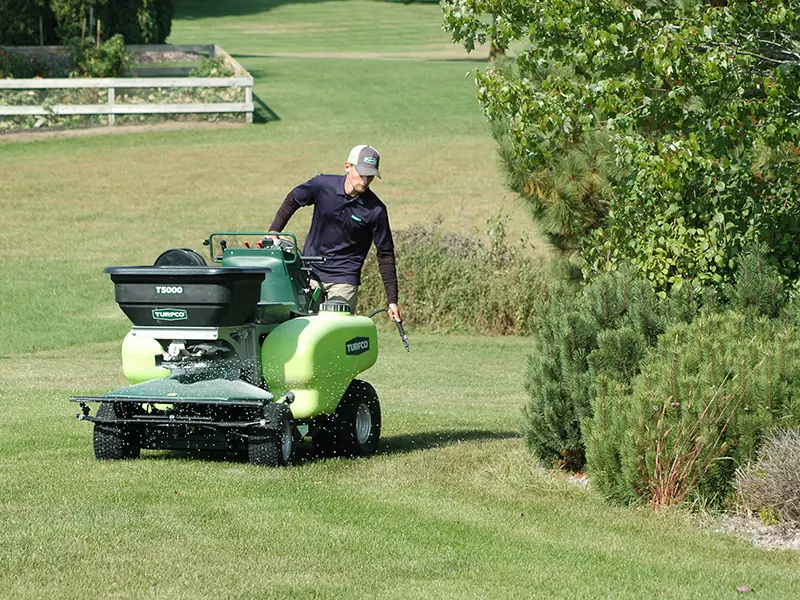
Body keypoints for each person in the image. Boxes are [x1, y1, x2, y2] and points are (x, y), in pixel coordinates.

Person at [268, 144, 403, 323]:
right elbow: (293, 198)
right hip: (309, 272)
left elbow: (385, 254)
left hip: (344, 279)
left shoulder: (376, 210)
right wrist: (273, 231)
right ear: (347, 166)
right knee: (299, 328)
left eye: (370, 175)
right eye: (362, 173)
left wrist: (392, 300)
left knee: (333, 330)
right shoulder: (323, 185)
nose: (365, 179)